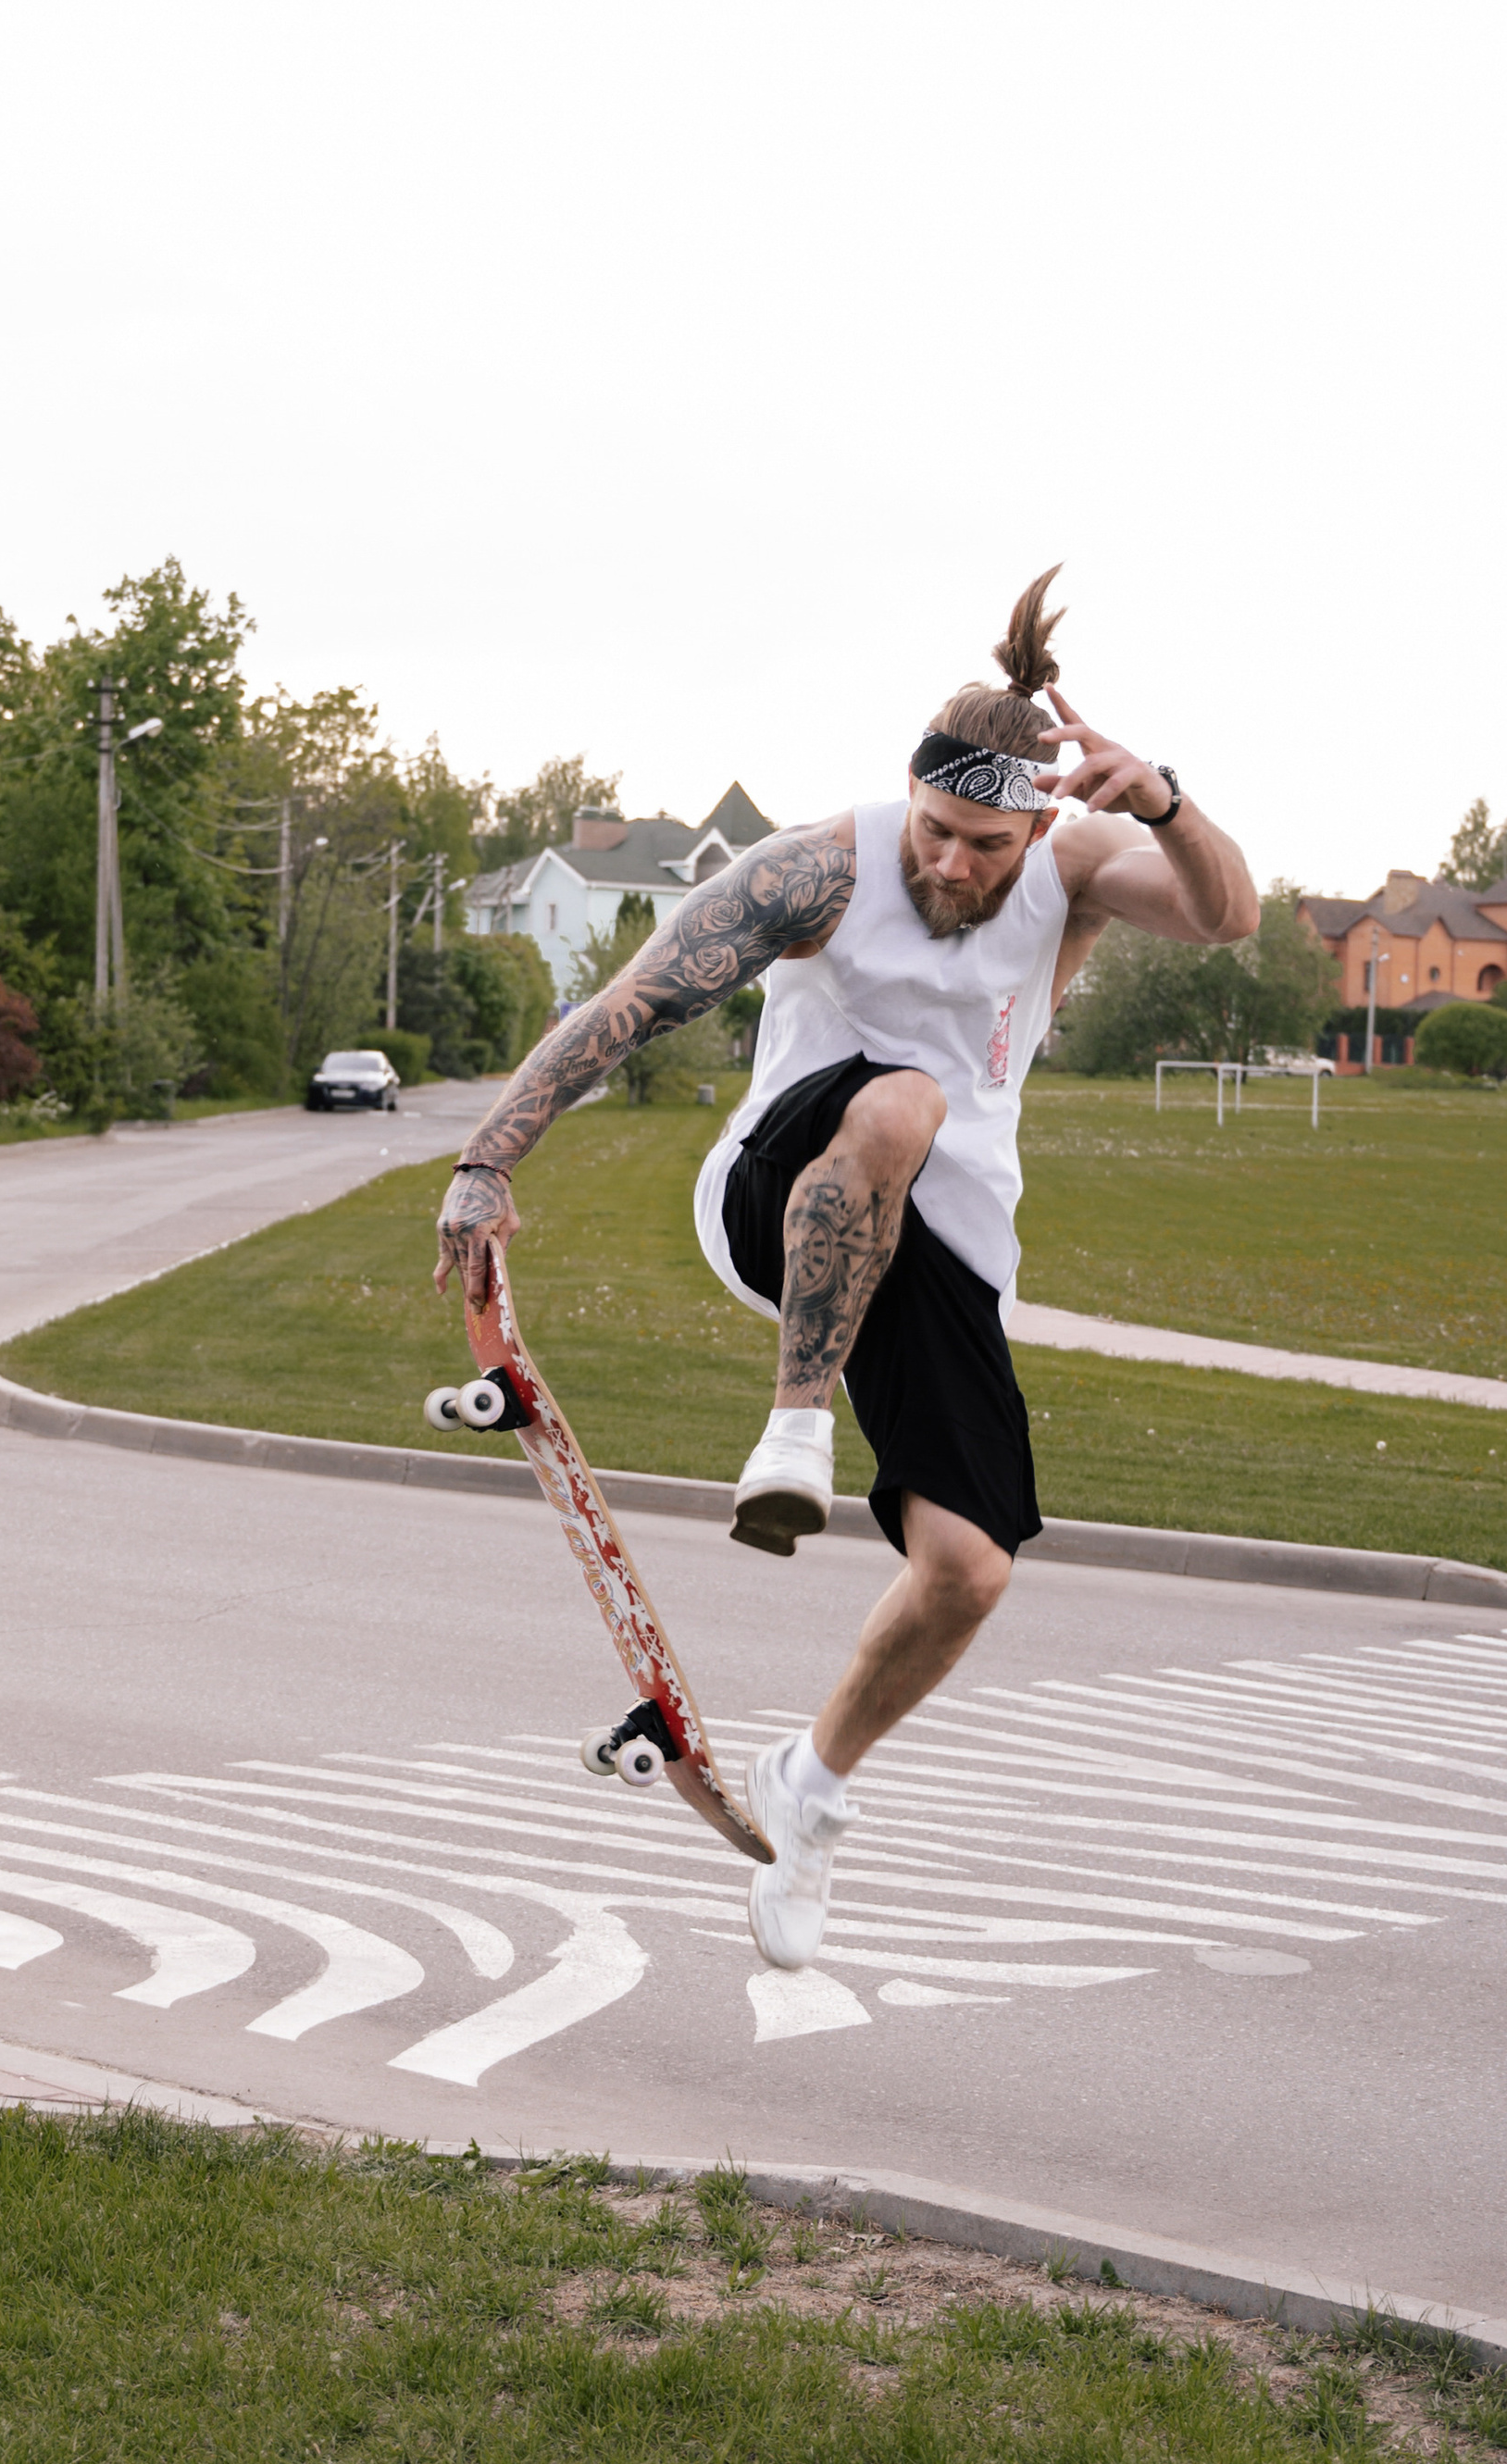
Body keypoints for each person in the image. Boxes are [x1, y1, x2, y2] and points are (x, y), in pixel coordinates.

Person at [433, 570, 1258, 1972]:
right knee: (899, 1102)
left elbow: (1229, 915)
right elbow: (627, 1005)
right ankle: (795, 1428)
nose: (950, 867)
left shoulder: (1073, 873)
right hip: (775, 1189)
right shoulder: (817, 869)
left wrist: (1167, 802)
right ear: (909, 804)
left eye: (983, 845)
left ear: (1039, 825)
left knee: (969, 1570)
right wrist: (485, 1157)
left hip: (939, 1242)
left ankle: (808, 1789)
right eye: (935, 833)